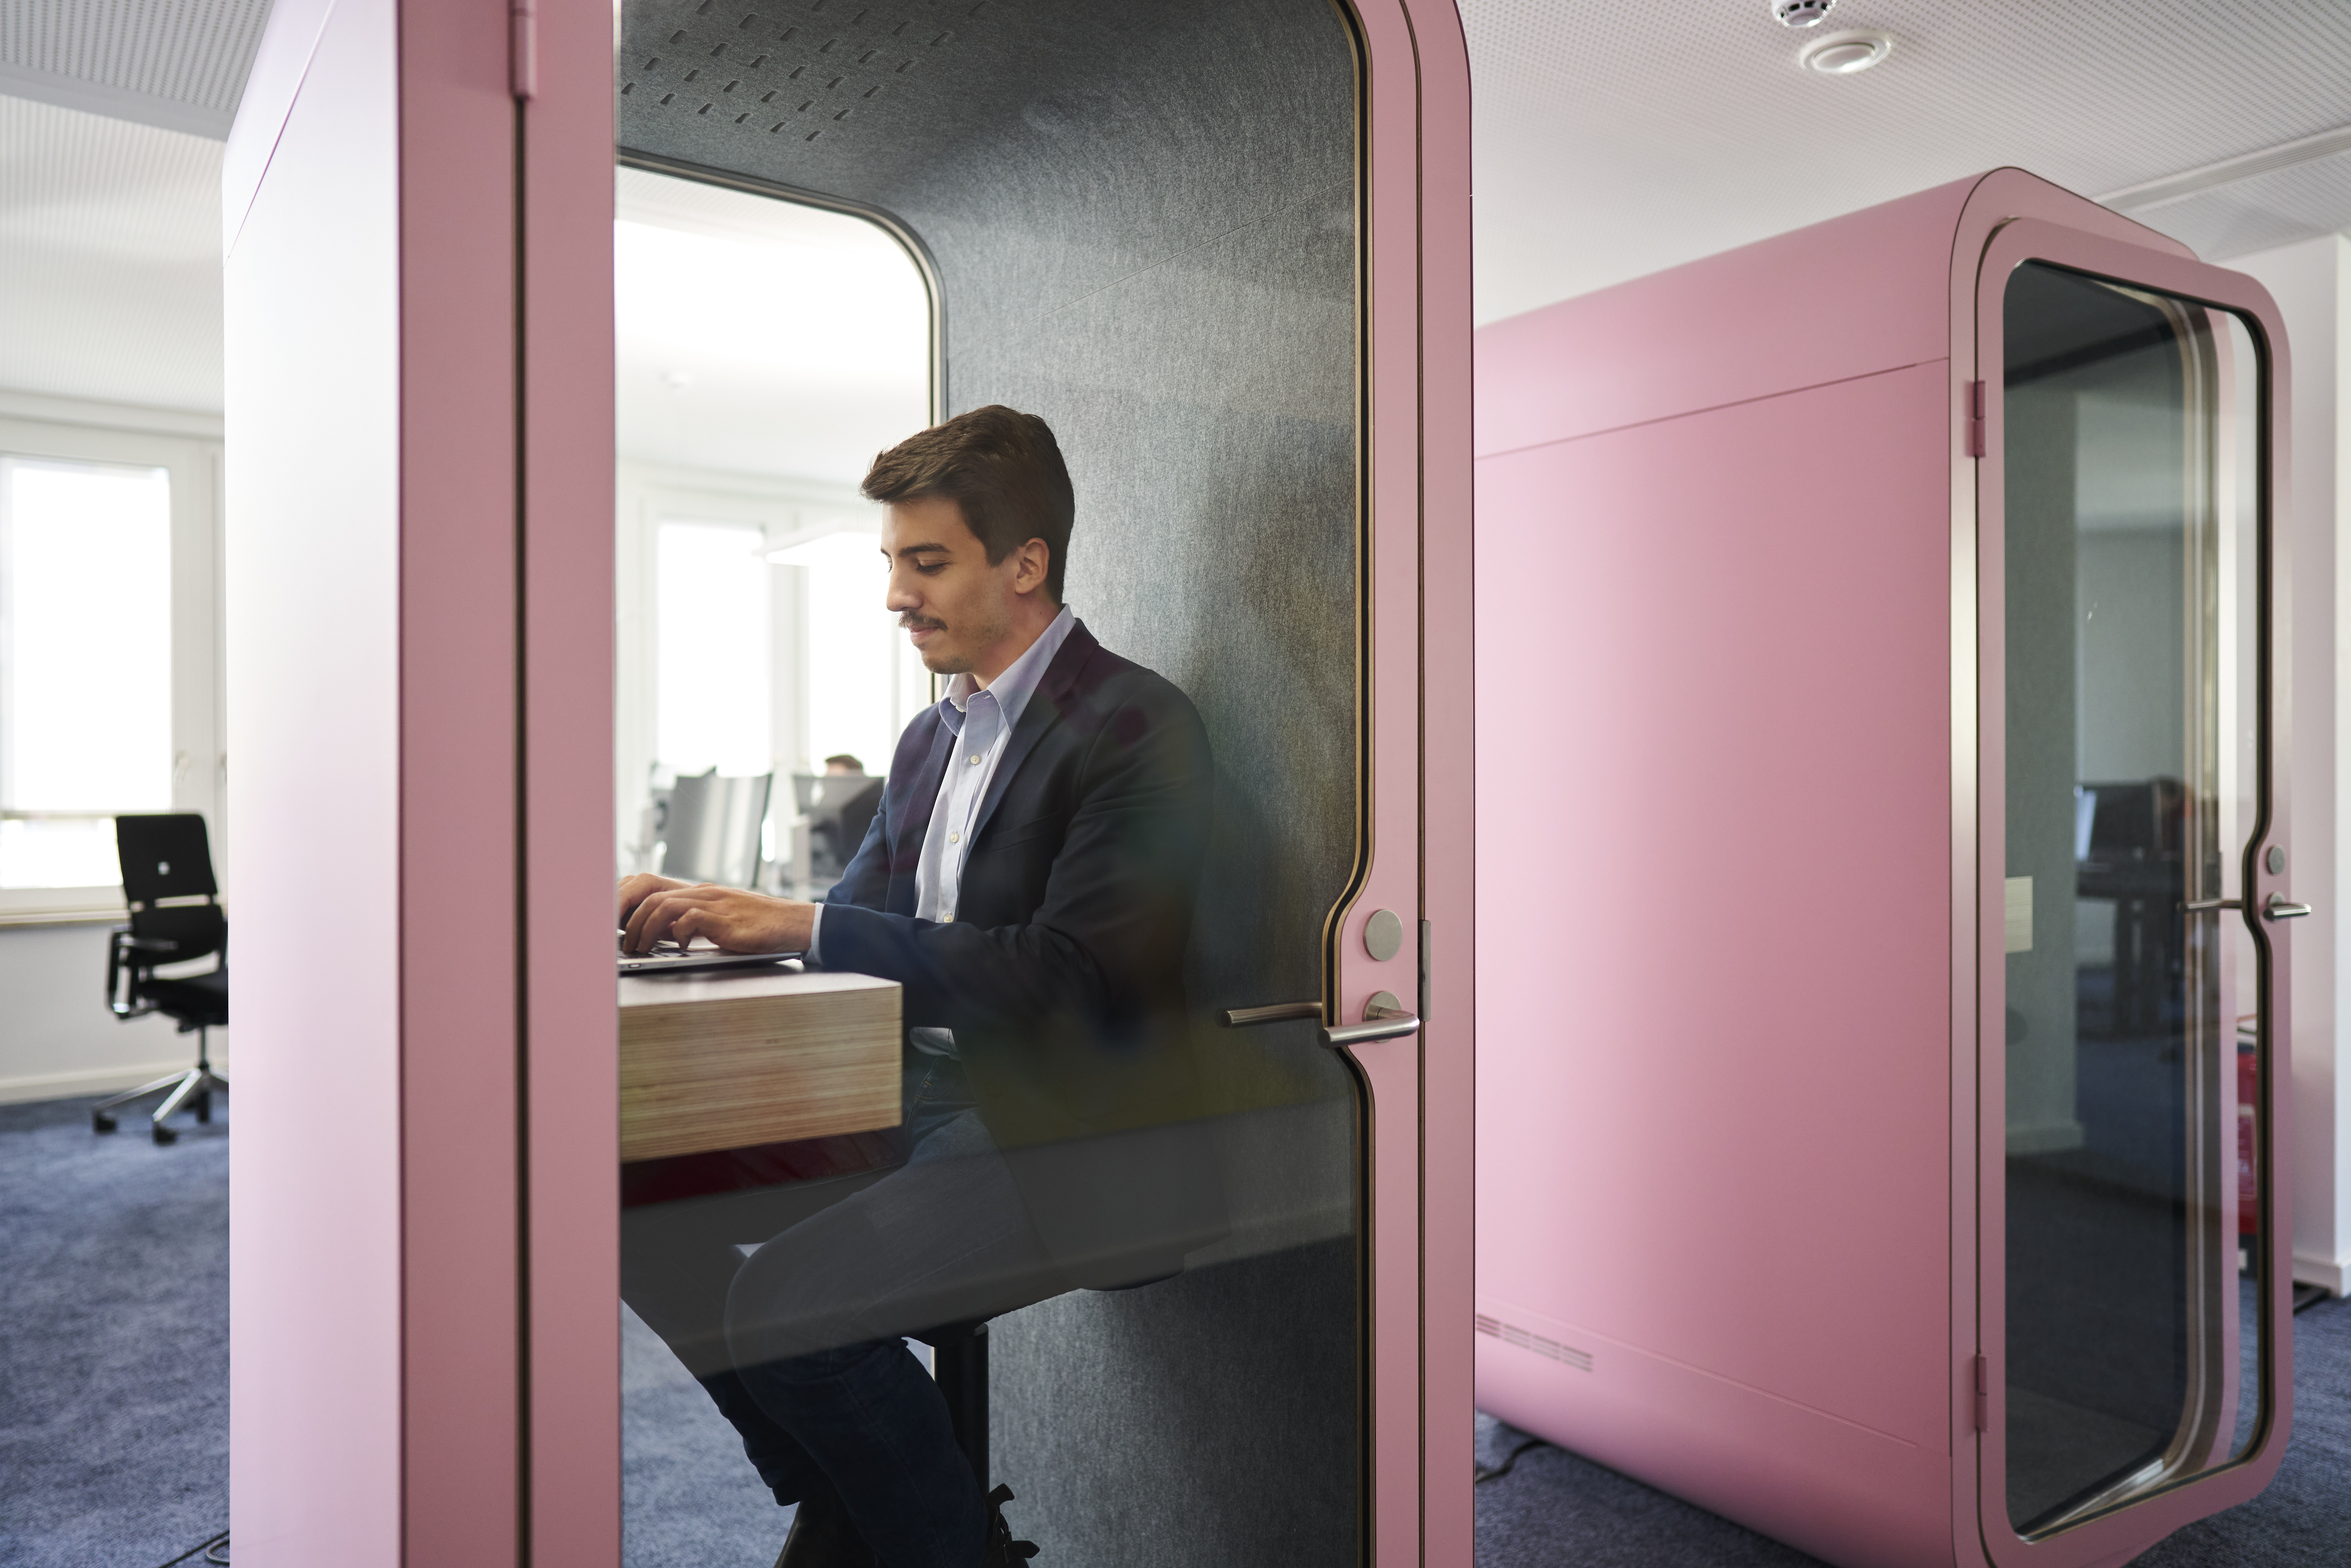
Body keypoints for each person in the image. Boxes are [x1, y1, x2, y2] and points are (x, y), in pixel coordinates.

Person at [617, 406, 1218, 1568]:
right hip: (912, 1096)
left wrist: (804, 919)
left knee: (792, 1310)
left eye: (926, 562)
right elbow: (862, 925)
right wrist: (702, 920)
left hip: (1074, 1133)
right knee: (629, 1198)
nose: (897, 595)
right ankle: (851, 1499)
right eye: (892, 563)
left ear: (1026, 563)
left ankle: (936, 1546)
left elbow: (1076, 976)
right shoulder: (927, 742)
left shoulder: (1139, 725)